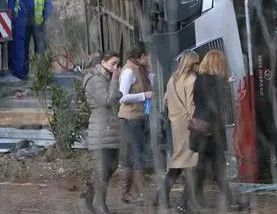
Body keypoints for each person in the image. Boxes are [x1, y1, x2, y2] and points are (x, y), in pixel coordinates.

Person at [190, 50, 242, 212]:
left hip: (200, 129)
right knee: (211, 169)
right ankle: (183, 203)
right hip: (210, 132)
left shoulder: (199, 80)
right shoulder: (214, 82)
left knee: (206, 168)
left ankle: (230, 202)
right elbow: (214, 107)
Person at [155, 50, 201, 211]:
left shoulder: (172, 79)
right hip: (188, 125)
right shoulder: (192, 80)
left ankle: (163, 194)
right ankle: (184, 202)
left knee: (179, 162)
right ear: (192, 63)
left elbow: (165, 101)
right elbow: (191, 105)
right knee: (193, 162)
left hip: (175, 123)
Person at [82, 51, 122, 214]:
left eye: (117, 64)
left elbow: (115, 96)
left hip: (110, 127)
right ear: (103, 62)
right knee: (103, 170)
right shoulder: (95, 79)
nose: (116, 67)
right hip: (100, 128)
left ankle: (88, 197)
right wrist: (114, 81)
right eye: (113, 63)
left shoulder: (105, 78)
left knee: (111, 167)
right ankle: (100, 205)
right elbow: (106, 100)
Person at [117, 42, 153, 205]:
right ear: (142, 56)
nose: (150, 58)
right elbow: (122, 97)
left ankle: (127, 194)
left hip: (139, 118)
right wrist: (144, 95)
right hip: (131, 119)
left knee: (132, 158)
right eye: (148, 55)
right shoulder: (129, 71)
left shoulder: (140, 70)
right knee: (137, 157)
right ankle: (142, 195)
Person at [20, 0, 52, 65]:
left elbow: (48, 5)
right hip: (23, 25)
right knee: (22, 51)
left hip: (38, 24)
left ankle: (40, 75)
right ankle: (23, 73)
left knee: (40, 50)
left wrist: (44, 18)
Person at [6, 0, 28, 80]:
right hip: (16, 28)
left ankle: (18, 73)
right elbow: (10, 10)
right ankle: (19, 75)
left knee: (18, 52)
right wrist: (13, 25)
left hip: (19, 27)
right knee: (17, 52)